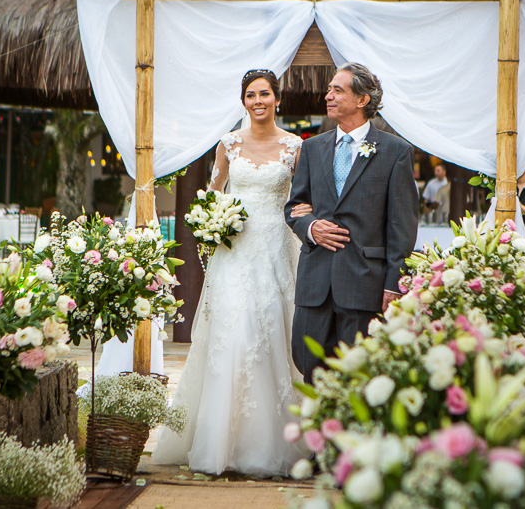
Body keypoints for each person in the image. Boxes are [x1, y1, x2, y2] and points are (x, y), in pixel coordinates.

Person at [152, 70, 308, 477]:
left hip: (275, 247)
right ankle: (220, 444)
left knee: (275, 331)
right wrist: (212, 223)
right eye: (251, 95)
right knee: (233, 334)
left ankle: (277, 444)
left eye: (265, 94)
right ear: (243, 101)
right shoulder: (228, 144)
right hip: (235, 252)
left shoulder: (295, 147)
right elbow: (212, 195)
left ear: (277, 99)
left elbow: (302, 199)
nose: (258, 101)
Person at [285, 63, 419, 384]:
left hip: (365, 285)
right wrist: (311, 228)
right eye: (329, 89)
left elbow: (402, 226)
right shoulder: (312, 148)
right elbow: (295, 207)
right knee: (310, 370)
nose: (327, 95)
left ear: (362, 100)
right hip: (315, 284)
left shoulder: (395, 152)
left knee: (359, 379)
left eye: (337, 90)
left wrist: (393, 284)